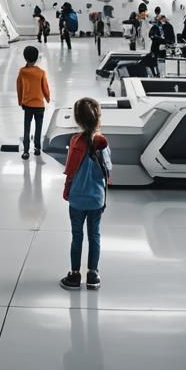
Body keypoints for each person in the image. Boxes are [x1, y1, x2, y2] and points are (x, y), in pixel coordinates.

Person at [60, 98, 111, 291]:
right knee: (94, 235)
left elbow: (70, 170)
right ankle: (93, 274)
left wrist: (67, 190)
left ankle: (74, 275)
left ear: (78, 119)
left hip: (77, 199)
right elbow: (108, 169)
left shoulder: (75, 141)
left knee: (77, 236)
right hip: (96, 198)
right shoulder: (102, 143)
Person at [16, 45, 51, 160]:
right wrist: (47, 98)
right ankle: (37, 148)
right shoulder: (41, 72)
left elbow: (19, 88)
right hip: (39, 105)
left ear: (25, 58)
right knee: (38, 127)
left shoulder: (22, 72)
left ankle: (26, 151)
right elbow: (45, 87)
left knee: (27, 127)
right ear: (36, 58)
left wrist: (21, 101)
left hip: (28, 105)